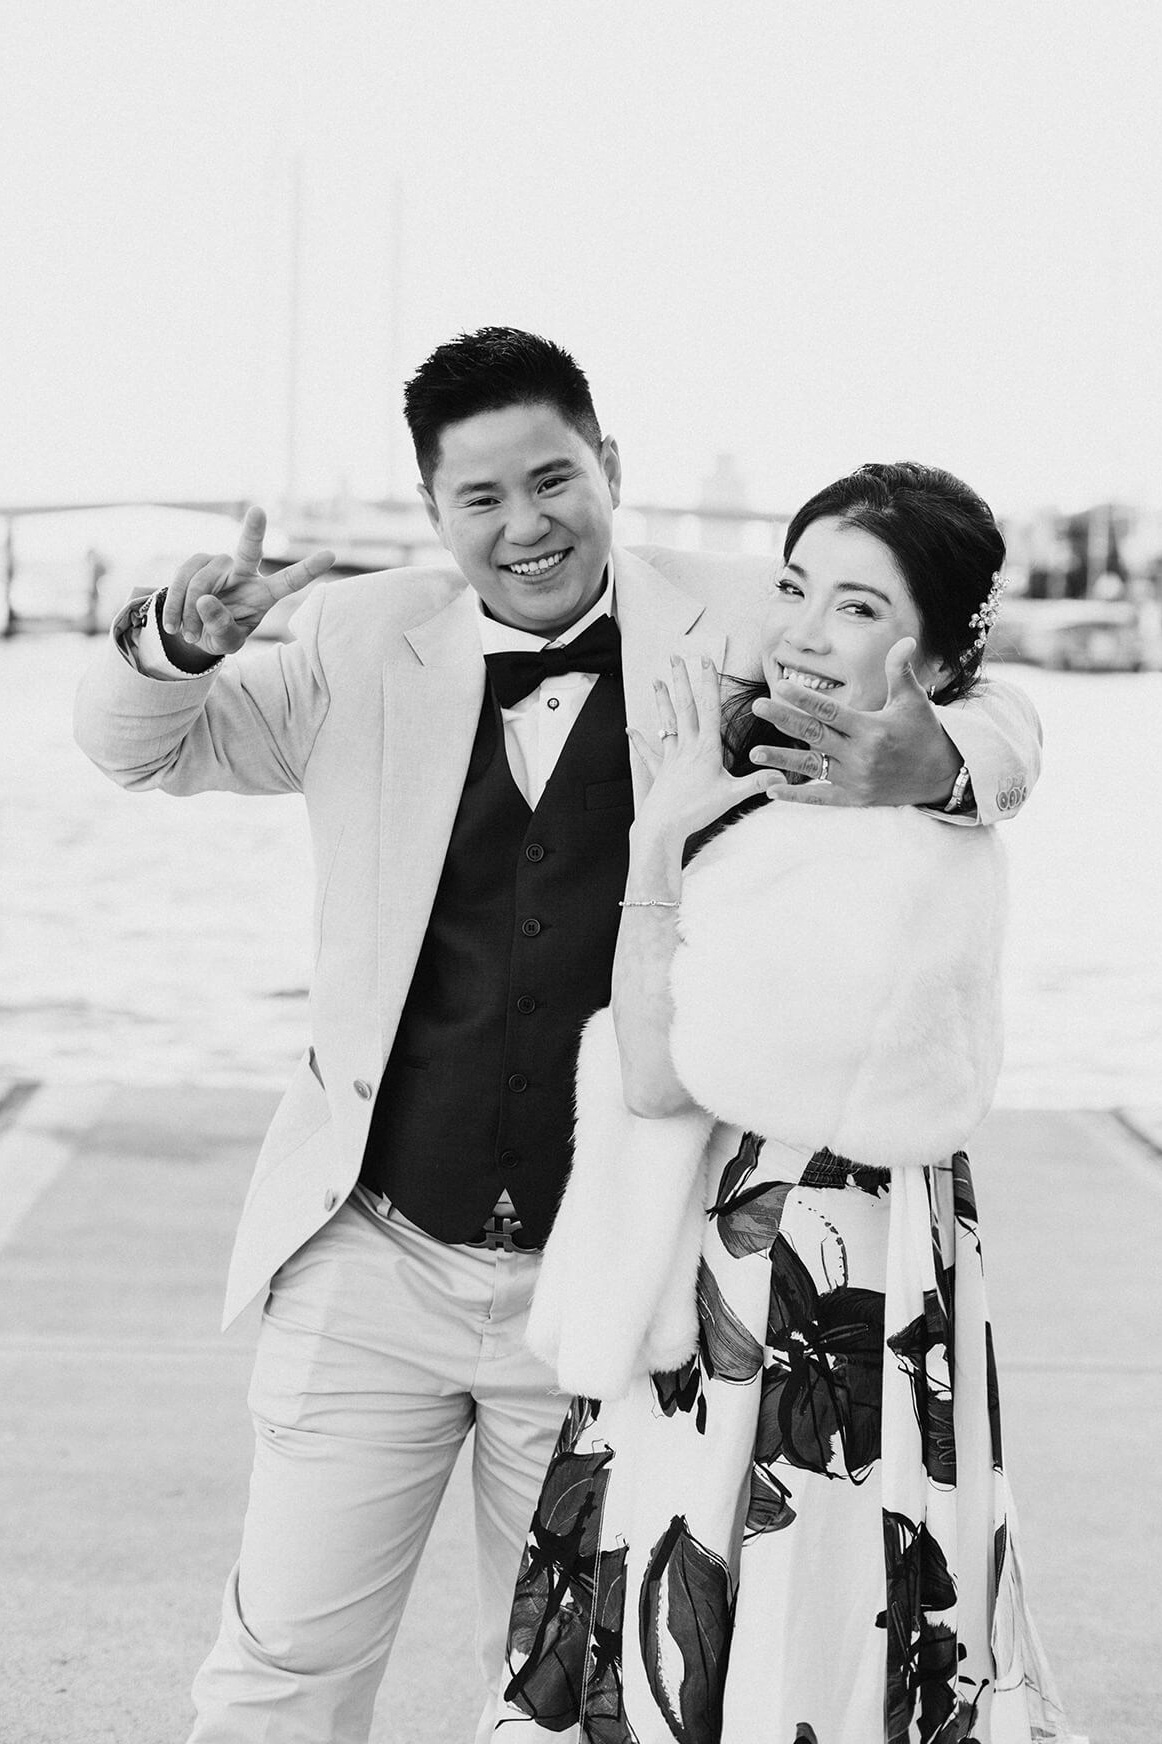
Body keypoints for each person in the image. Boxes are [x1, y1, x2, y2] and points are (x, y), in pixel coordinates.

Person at [73, 333, 1042, 1744]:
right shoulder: (354, 641)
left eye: (553, 479)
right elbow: (135, 748)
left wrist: (945, 765)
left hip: (603, 1282)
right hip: (373, 1257)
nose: (524, 525)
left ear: (609, 468)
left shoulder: (743, 615)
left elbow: (983, 700)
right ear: (433, 511)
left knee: (561, 1689)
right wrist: (175, 641)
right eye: (482, 498)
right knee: (276, 1670)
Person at [493, 463, 1082, 1743]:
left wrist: (658, 844)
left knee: (766, 1617)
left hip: (784, 1271)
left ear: (931, 649)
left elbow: (661, 1072)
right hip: (811, 1249)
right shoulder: (829, 793)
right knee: (802, 1619)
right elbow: (995, 736)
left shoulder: (888, 829)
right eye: (796, 587)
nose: (807, 630)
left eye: (858, 606)